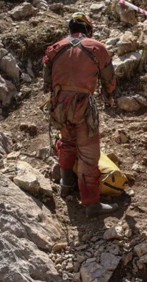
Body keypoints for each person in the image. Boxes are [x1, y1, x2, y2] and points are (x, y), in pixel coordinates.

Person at [43, 13, 117, 216]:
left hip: (59, 105)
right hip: (82, 106)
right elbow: (109, 79)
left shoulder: (56, 48)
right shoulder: (97, 47)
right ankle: (91, 204)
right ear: (88, 30)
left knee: (67, 142)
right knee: (88, 154)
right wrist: (109, 95)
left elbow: (46, 80)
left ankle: (66, 185)